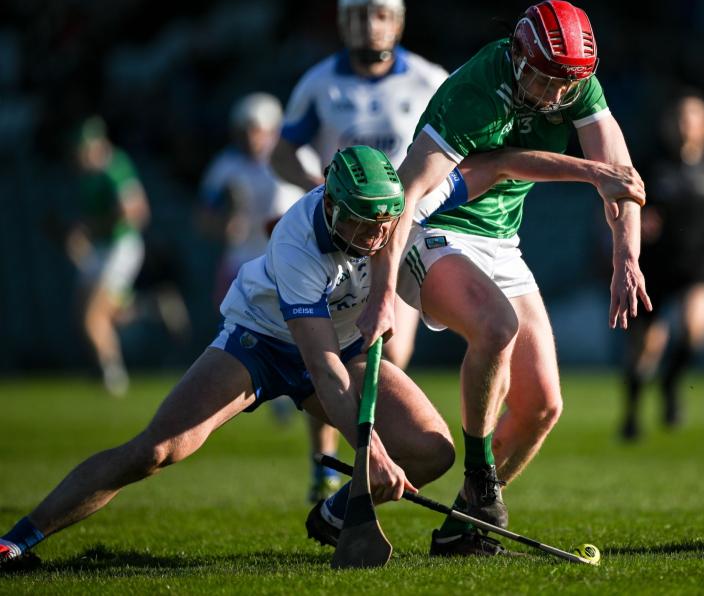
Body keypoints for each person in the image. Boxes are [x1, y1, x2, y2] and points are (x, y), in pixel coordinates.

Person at [0, 146, 456, 569]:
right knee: (156, 450)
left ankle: (337, 513)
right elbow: (321, 368)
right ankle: (17, 540)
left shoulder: (399, 208)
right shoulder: (298, 241)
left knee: (432, 451)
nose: (377, 235)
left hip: (343, 348)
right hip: (261, 344)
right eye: (361, 222)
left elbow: (473, 170)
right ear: (332, 207)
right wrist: (368, 451)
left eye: (385, 222)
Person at [358, 0, 652, 556]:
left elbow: (622, 179)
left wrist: (627, 257)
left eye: (567, 84)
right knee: (496, 326)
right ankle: (479, 472)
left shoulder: (576, 86)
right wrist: (381, 295)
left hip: (501, 243)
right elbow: (408, 197)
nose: (555, 95)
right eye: (544, 79)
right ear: (518, 55)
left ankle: (465, 523)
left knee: (543, 404)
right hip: (436, 231)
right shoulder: (476, 89)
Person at [271, 0, 449, 502]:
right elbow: (282, 152)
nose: (368, 25)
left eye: (379, 14)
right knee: (324, 352)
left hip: (402, 236)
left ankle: (366, 458)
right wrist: (320, 191)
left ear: (397, 20)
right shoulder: (319, 83)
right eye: (356, 15)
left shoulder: (427, 79)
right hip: (337, 240)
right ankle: (323, 462)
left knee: (391, 352)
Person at [620, 91, 704, 440]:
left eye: (693, 117)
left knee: (694, 329)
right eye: (679, 118)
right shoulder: (652, 162)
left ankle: (670, 386)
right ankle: (631, 414)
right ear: (668, 123)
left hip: (698, 262)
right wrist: (640, 219)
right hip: (655, 265)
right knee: (646, 348)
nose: (685, 125)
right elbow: (628, 200)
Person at [65, 116, 151, 397]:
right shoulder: (88, 173)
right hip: (103, 247)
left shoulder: (114, 167)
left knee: (94, 317)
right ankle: (152, 309)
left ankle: (113, 374)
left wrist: (91, 227)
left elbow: (135, 211)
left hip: (120, 246)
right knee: (90, 313)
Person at [197, 93, 304, 308]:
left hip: (289, 264)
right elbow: (203, 217)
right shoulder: (226, 166)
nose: (249, 138)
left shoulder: (298, 159)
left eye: (255, 130)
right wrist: (225, 225)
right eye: (243, 130)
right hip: (241, 263)